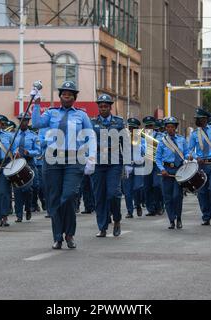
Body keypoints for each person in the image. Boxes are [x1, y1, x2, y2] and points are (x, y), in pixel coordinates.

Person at [32, 80, 95, 250]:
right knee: (54, 198)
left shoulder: (81, 115)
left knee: (68, 196)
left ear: (74, 97)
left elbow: (91, 136)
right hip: (52, 160)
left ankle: (70, 233)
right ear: (60, 96)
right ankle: (58, 236)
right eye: (63, 94)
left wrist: (92, 158)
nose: (66, 96)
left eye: (70, 94)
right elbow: (36, 124)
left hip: (74, 160)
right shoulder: (51, 113)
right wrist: (36, 104)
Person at [90, 94, 124, 237]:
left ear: (110, 107)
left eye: (106, 106)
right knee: (99, 195)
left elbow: (126, 142)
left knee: (113, 193)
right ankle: (102, 227)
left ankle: (116, 219)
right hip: (98, 162)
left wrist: (128, 163)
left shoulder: (119, 122)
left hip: (114, 161)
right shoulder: (92, 123)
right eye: (101, 106)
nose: (103, 108)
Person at [188, 108, 211, 226]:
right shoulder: (194, 134)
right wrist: (195, 156)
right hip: (201, 165)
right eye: (196, 119)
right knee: (202, 192)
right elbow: (189, 150)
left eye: (199, 119)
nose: (197, 121)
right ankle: (206, 216)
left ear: (205, 119)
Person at [155, 117, 189, 229]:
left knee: (177, 196)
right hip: (167, 170)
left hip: (179, 170)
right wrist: (162, 169)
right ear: (165, 128)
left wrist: (189, 157)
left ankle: (178, 217)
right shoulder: (162, 142)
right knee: (168, 197)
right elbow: (158, 158)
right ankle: (171, 220)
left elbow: (186, 152)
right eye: (168, 127)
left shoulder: (181, 140)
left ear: (175, 128)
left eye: (172, 127)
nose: (170, 129)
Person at [13, 113, 41, 222]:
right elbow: (9, 148)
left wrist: (28, 152)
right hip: (16, 163)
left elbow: (38, 151)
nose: (23, 122)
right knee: (17, 189)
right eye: (21, 120)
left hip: (29, 163)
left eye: (25, 120)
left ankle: (28, 208)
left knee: (28, 189)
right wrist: (14, 153)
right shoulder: (14, 135)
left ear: (28, 122)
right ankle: (19, 214)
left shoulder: (34, 136)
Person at [122, 118, 146, 218]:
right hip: (126, 165)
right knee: (127, 191)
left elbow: (144, 152)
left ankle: (138, 204)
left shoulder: (142, 139)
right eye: (130, 128)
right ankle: (129, 211)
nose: (131, 130)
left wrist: (137, 143)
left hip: (138, 165)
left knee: (137, 187)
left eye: (134, 128)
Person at [142, 116, 163, 216]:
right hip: (146, 163)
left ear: (154, 126)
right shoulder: (140, 136)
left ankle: (159, 206)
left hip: (157, 164)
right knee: (147, 187)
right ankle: (151, 209)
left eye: (150, 125)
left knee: (157, 185)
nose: (149, 128)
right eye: (147, 126)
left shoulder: (160, 136)